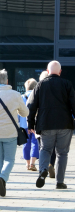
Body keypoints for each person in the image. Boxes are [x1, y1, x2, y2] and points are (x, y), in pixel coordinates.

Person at [27, 61, 75, 189]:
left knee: (45, 149)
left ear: (47, 71)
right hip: (65, 124)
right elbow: (74, 104)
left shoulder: (40, 85)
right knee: (62, 153)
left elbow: (31, 106)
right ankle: (59, 182)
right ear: (60, 72)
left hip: (45, 123)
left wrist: (30, 123)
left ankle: (43, 170)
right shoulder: (67, 84)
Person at [0, 70, 29, 197]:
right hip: (11, 132)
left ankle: (0, 184)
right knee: (10, 159)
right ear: (7, 81)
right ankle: (3, 178)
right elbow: (25, 113)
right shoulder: (16, 95)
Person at [20, 78, 39, 171]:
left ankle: (27, 164)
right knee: (35, 143)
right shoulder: (38, 95)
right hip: (35, 123)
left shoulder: (22, 97)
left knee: (26, 144)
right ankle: (32, 163)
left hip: (24, 124)